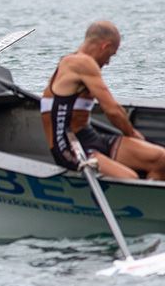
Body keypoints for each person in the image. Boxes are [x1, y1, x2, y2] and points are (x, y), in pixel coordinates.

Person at [41, 21, 165, 179]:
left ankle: (151, 198)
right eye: (111, 55)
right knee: (130, 178)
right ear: (105, 46)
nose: (108, 62)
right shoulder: (81, 63)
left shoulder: (71, 61)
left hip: (89, 137)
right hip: (69, 146)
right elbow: (113, 111)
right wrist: (132, 134)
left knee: (161, 159)